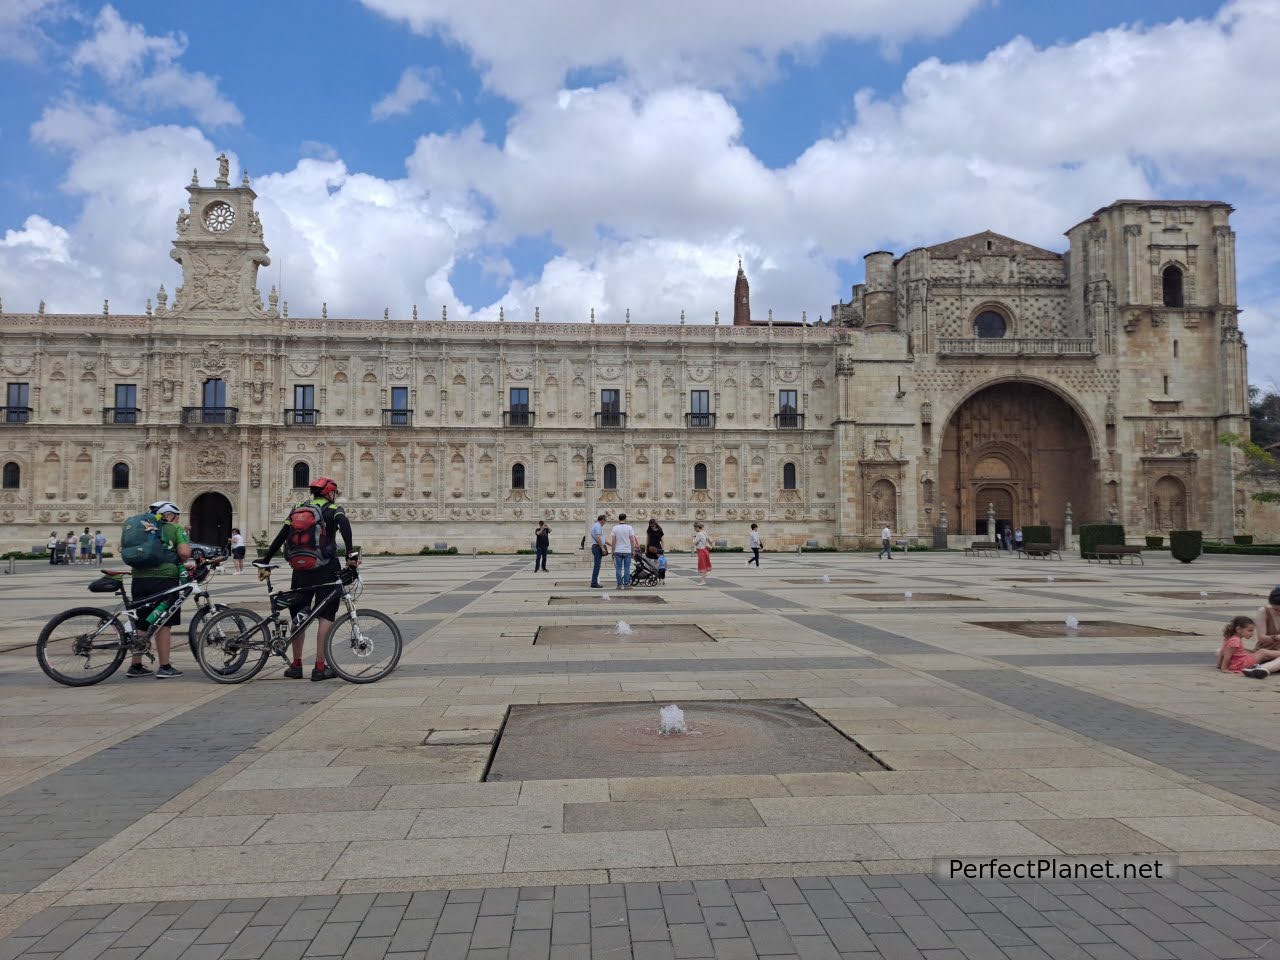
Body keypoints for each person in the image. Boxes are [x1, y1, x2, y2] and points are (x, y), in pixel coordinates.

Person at [260, 477, 359, 681]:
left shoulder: (299, 507)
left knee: (299, 613)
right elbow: (345, 526)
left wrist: (267, 559)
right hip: (327, 568)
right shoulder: (334, 508)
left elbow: (283, 534)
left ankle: (296, 665)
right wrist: (350, 554)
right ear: (329, 493)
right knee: (326, 616)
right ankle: (319, 666)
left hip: (301, 569)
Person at [126, 502, 195, 678]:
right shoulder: (174, 529)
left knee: (142, 620)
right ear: (169, 515)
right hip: (165, 580)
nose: (178, 519)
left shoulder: (142, 528)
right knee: (164, 622)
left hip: (139, 579)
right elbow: (185, 553)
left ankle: (136, 665)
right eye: (177, 516)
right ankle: (164, 666)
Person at [610, 513, 638, 589]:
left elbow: (613, 541)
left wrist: (612, 551)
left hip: (618, 551)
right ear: (625, 519)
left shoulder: (615, 528)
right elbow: (632, 540)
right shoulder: (629, 528)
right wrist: (633, 550)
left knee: (618, 568)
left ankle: (619, 585)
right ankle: (626, 585)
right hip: (627, 551)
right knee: (627, 568)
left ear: (619, 519)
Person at [1254, 586, 1280, 651]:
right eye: (1276, 609)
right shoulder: (1263, 611)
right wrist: (1276, 637)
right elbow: (1261, 638)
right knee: (1263, 653)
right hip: (1267, 649)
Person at [589, 513, 608, 588]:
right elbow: (598, 537)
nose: (605, 522)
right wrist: (602, 548)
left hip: (597, 547)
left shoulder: (597, 526)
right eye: (605, 520)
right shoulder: (597, 526)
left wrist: (611, 544)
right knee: (597, 565)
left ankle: (594, 582)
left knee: (597, 565)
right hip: (597, 547)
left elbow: (602, 539)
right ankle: (594, 582)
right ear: (603, 520)